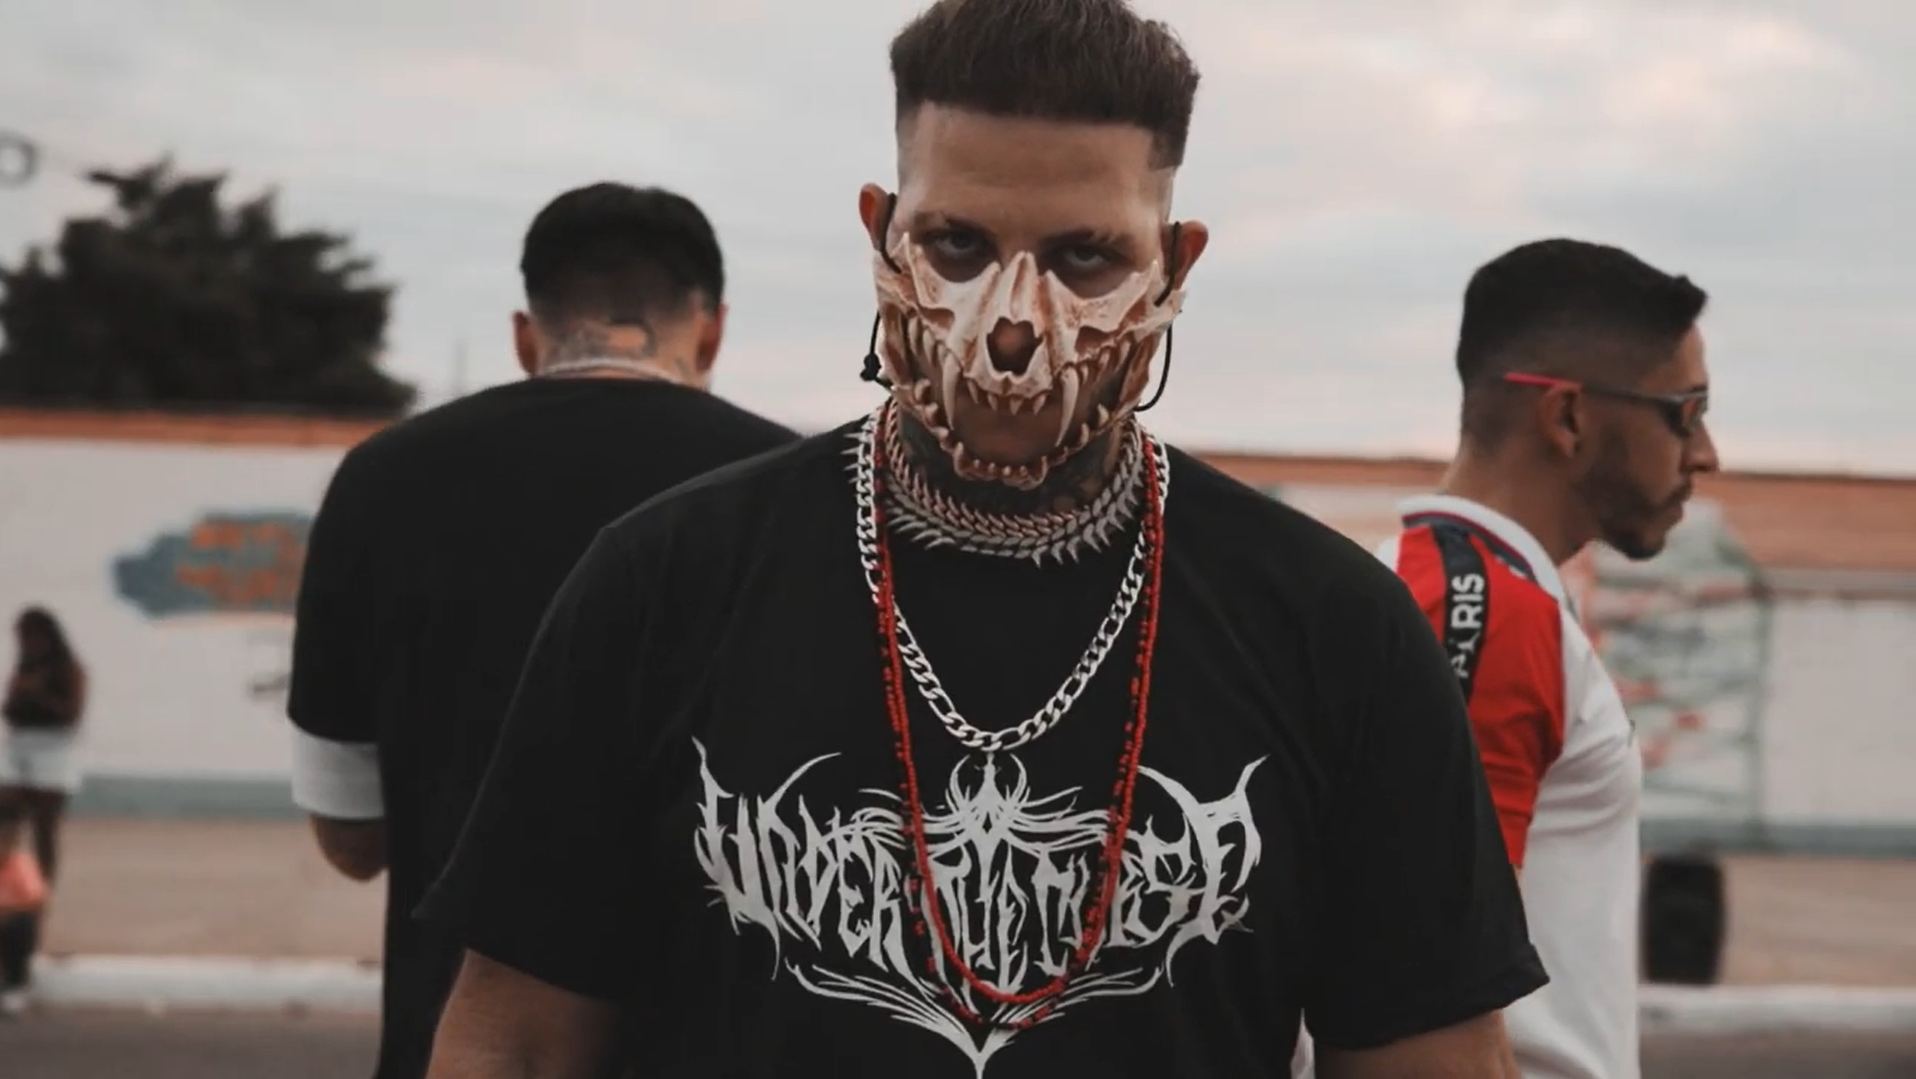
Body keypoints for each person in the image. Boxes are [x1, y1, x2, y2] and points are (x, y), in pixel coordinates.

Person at [420, 2, 1547, 1077]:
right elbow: (517, 1042)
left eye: (1083, 257)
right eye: (955, 244)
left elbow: (1431, 1058)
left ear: (1175, 264)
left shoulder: (1332, 628)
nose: (1010, 323)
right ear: (881, 233)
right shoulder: (664, 580)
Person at [286, 182, 797, 1079]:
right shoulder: (789, 492)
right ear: (711, 331)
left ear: (526, 336)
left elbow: (349, 835)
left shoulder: (381, 480)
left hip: (458, 1040)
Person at [1376, 239, 1720, 1079]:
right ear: (1566, 417)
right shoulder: (1483, 610)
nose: (1705, 452)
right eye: (1684, 412)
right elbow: (1420, 973)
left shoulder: (1449, 585)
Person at [0, 607, 87, 885]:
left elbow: (70, 715)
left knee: (44, 828)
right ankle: (6, 882)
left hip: (54, 752)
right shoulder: (24, 669)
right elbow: (8, 712)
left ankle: (42, 885)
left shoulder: (69, 670)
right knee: (4, 818)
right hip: (20, 748)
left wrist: (37, 694)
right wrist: (18, 695)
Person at [0, 796, 49, 1017]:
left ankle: (14, 985)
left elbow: (35, 901)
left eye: (9, 838)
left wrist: (4, 912)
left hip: (6, 931)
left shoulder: (22, 866)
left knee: (22, 923)